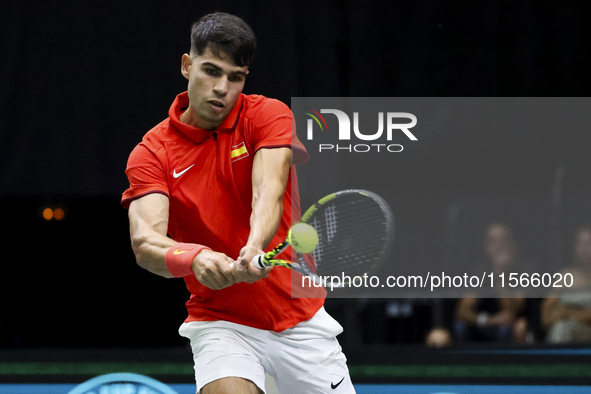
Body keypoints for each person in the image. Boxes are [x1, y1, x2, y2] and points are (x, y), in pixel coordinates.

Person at [121, 13, 355, 394]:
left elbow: (269, 189)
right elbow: (146, 241)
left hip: (300, 322)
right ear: (186, 65)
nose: (222, 88)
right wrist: (194, 258)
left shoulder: (266, 115)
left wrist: (254, 245)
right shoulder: (152, 153)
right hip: (221, 323)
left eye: (236, 77)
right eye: (211, 71)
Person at [454, 222, 528, 343]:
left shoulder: (525, 271)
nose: (499, 247)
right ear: (486, 248)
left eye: (504, 241)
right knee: (461, 327)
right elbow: (462, 311)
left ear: (514, 245)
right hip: (488, 323)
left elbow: (511, 312)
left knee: (508, 328)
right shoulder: (480, 271)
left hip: (511, 328)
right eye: (493, 242)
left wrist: (501, 275)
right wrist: (488, 320)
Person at [542, 224, 591, 343]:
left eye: (589, 243)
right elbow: (547, 311)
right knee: (560, 328)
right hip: (564, 330)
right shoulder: (565, 275)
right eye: (580, 243)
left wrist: (569, 314)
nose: (585, 248)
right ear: (574, 247)